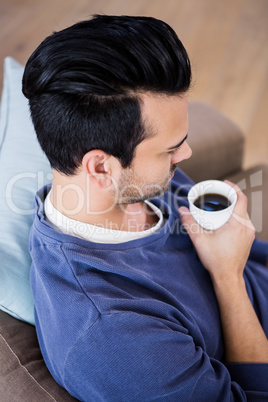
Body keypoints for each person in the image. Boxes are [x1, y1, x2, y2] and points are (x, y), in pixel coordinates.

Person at [22, 15, 268, 401]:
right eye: (171, 149)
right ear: (101, 166)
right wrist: (228, 275)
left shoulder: (123, 185)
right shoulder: (113, 339)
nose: (185, 154)